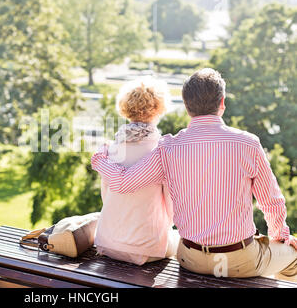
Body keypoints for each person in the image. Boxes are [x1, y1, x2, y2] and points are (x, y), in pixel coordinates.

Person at [91, 68, 296, 280]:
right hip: (238, 260)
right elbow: (272, 202)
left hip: (190, 259)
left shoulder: (168, 147)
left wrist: (98, 159)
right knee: (293, 250)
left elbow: (123, 182)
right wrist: (281, 237)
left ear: (187, 107)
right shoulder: (247, 143)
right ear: (222, 102)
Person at [94, 77, 179, 266]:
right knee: (180, 241)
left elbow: (106, 195)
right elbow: (172, 207)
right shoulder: (161, 150)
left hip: (107, 243)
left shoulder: (112, 148)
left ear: (126, 108)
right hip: (146, 249)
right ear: (159, 108)